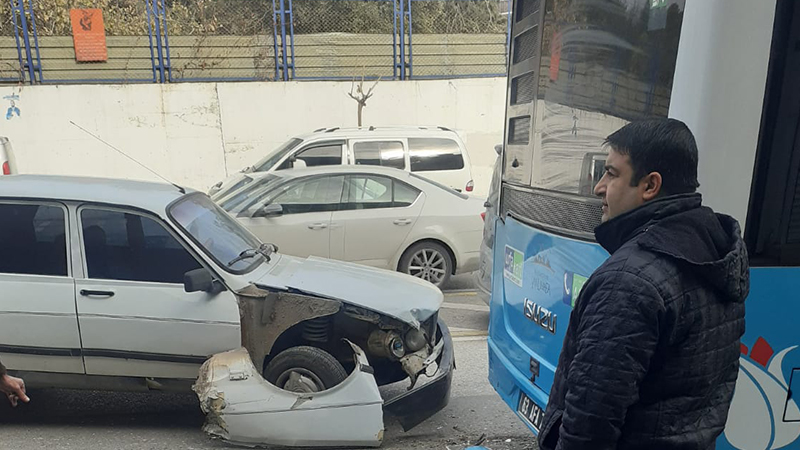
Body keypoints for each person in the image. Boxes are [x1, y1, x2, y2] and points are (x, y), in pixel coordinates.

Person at [539, 119, 748, 450]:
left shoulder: (628, 281)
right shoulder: (716, 253)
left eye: (612, 173)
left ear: (650, 185)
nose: (599, 187)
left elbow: (589, 426)